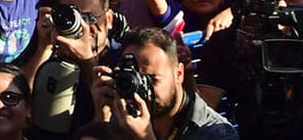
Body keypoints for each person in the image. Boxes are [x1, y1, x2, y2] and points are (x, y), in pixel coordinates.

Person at [92, 27, 238, 140]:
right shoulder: (122, 118)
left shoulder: (216, 133)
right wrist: (102, 119)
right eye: (135, 79)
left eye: (152, 79)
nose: (142, 91)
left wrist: (145, 138)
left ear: (178, 74)